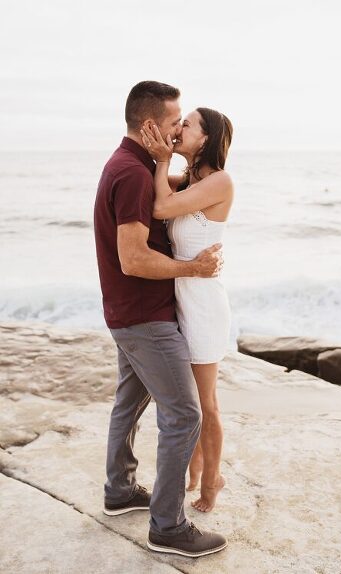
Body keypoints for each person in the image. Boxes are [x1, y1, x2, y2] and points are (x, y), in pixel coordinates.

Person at [94, 80, 227, 557]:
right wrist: (193, 268)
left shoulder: (131, 165)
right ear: (150, 124)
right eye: (175, 123)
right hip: (145, 317)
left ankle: (119, 491)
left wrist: (162, 163)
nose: (176, 132)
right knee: (185, 413)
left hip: (131, 312)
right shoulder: (132, 173)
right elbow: (134, 259)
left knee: (128, 404)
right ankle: (168, 526)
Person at [141, 106, 234, 512]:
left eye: (188, 124)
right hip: (181, 300)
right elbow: (154, 194)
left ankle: (212, 482)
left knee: (206, 403)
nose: (179, 129)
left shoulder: (220, 182)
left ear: (207, 138)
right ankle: (196, 469)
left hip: (204, 307)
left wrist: (162, 158)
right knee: (190, 401)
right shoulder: (185, 181)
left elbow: (161, 209)